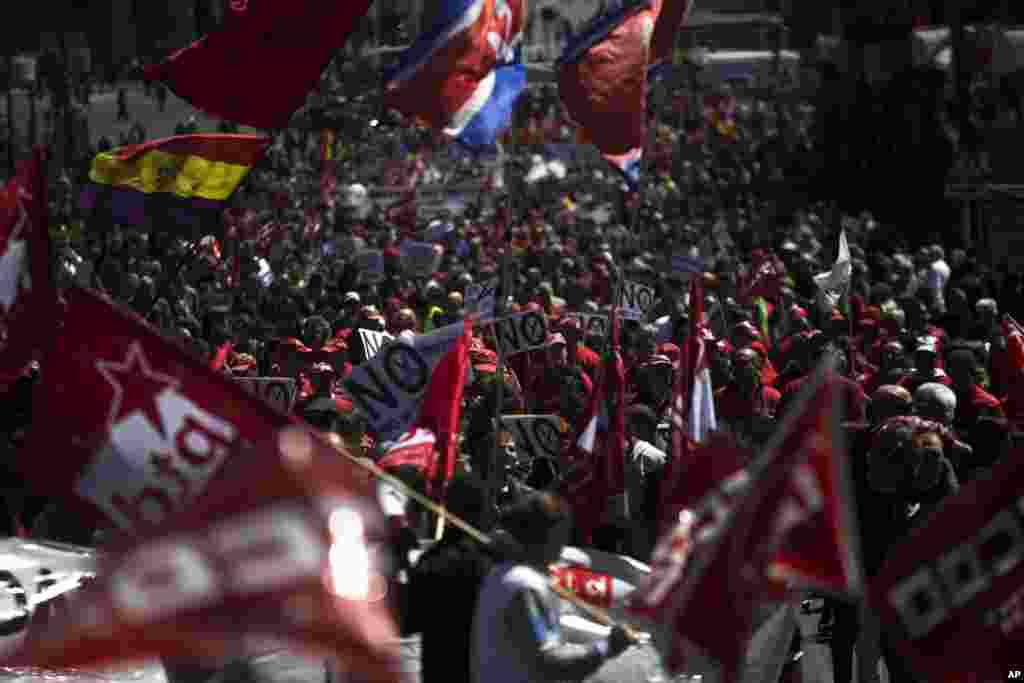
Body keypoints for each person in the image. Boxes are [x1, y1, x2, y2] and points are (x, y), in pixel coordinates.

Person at [471, 492, 634, 683]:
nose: (564, 542)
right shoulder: (526, 585)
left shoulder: (499, 573)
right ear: (547, 534)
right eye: (561, 533)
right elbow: (549, 664)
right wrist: (607, 647)